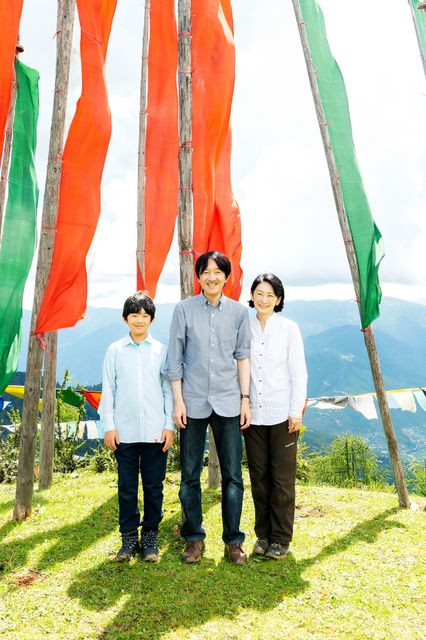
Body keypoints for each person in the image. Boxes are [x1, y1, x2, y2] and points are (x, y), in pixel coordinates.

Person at [166, 251, 251, 565]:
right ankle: (193, 538)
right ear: (198, 276)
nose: (212, 277)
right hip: (192, 401)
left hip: (229, 400)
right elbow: (175, 358)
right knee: (189, 475)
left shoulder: (239, 313)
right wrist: (178, 400)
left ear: (226, 277)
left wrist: (245, 399)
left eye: (217, 272)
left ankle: (234, 542)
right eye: (206, 272)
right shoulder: (183, 310)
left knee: (233, 476)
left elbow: (242, 357)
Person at [98, 292, 174, 562]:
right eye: (134, 315)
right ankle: (128, 538)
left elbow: (168, 391)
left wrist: (169, 425)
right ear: (125, 319)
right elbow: (109, 389)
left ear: (151, 319)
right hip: (124, 431)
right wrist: (109, 426)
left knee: (154, 487)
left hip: (155, 431)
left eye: (144, 315)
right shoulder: (115, 351)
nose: (139, 320)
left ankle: (150, 536)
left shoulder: (161, 351)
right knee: (127, 487)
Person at [243, 274, 307, 559]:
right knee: (259, 478)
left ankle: (281, 538)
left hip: (283, 415)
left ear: (278, 299)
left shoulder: (289, 328)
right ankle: (263, 535)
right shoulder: (244, 326)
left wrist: (295, 411)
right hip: (253, 416)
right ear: (252, 295)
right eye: (259, 293)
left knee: (281, 479)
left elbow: (299, 373)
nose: (264, 299)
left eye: (270, 295)